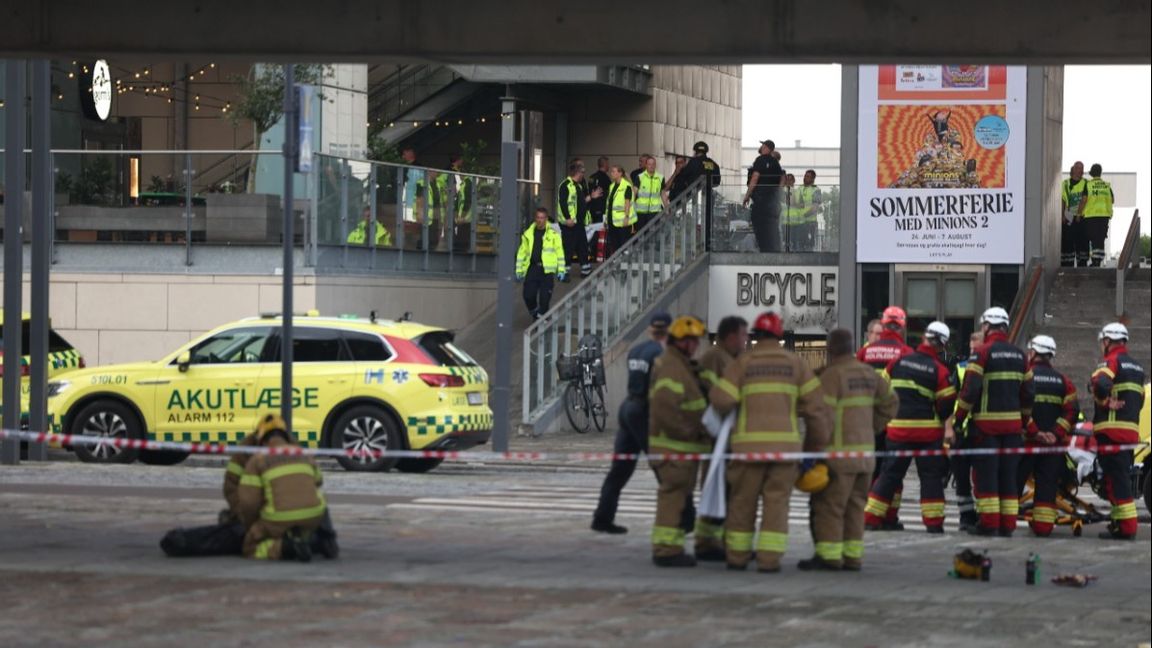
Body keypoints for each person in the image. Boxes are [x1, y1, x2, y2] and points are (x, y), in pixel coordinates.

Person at [709, 312, 829, 572]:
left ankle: (737, 558)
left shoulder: (742, 363)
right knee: (776, 505)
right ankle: (769, 561)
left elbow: (720, 400)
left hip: (746, 451)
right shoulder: (796, 364)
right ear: (779, 335)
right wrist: (813, 448)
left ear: (755, 335)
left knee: (742, 503)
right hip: (785, 453)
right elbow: (817, 411)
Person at [802, 329, 898, 571]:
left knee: (830, 507)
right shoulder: (869, 374)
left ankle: (829, 556)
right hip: (865, 456)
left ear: (830, 349)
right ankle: (853, 557)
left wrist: (811, 452)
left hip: (838, 457)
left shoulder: (831, 377)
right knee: (856, 507)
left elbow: (821, 419)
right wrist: (873, 428)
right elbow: (891, 403)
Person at [864, 321, 956, 534]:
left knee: (889, 476)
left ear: (924, 338)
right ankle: (933, 523)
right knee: (931, 478)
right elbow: (946, 404)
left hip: (897, 431)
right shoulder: (939, 371)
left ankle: (871, 517)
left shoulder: (898, 361)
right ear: (942, 346)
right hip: (927, 434)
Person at [951, 306, 1033, 537]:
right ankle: (1007, 525)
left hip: (986, 430)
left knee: (986, 478)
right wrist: (1023, 421)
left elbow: (970, 390)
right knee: (1008, 479)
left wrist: (959, 420)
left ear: (987, 326)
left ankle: (988, 524)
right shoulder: (1020, 355)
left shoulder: (982, 353)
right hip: (1013, 431)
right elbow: (1029, 393)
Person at [592, 312, 672, 535]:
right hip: (645, 411)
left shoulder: (636, 350)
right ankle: (682, 516)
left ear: (649, 330)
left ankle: (602, 517)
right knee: (662, 466)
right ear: (668, 331)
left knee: (619, 469)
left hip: (628, 408)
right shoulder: (661, 354)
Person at [647, 315, 711, 567]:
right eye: (692, 341)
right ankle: (665, 550)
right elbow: (665, 409)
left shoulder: (682, 365)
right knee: (672, 499)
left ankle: (670, 546)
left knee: (677, 500)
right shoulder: (672, 367)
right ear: (681, 341)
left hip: (681, 449)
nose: (696, 345)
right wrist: (688, 432)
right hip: (674, 448)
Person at [236, 413, 327, 562]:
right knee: (306, 523)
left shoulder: (257, 460)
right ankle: (318, 543)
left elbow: (249, 502)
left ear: (262, 440)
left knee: (250, 546)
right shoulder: (303, 454)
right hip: (313, 515)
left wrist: (253, 525)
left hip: (277, 518)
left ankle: (286, 548)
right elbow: (318, 482)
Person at [694, 315, 749, 559]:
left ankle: (713, 539)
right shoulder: (715, 358)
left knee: (723, 488)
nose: (746, 340)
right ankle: (706, 542)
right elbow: (717, 394)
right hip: (718, 434)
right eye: (743, 335)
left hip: (727, 435)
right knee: (716, 486)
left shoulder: (732, 358)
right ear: (730, 337)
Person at [856, 306, 915, 530]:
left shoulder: (865, 352)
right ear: (901, 326)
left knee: (870, 468)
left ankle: (868, 512)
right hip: (894, 420)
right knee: (892, 471)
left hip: (867, 420)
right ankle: (889, 516)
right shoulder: (907, 353)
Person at [1016, 335, 1078, 537]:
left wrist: (1036, 432)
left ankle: (1004, 522)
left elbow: (1019, 407)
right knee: (1047, 488)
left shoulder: (1025, 376)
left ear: (1032, 352)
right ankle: (1043, 527)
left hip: (1027, 443)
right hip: (1053, 447)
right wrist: (1054, 433)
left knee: (1013, 484)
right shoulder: (1064, 381)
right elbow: (1071, 411)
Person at [1090, 322, 1145, 540]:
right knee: (1118, 479)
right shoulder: (1137, 368)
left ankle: (1127, 528)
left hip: (1111, 432)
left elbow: (1100, 381)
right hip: (1129, 432)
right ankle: (1118, 525)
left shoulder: (1111, 360)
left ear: (1107, 341)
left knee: (1117, 482)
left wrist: (1104, 401)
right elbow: (1139, 399)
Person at [952, 330, 984, 532]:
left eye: (977, 348)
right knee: (961, 479)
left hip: (980, 431)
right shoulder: (960, 368)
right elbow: (951, 398)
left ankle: (981, 516)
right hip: (962, 432)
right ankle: (966, 516)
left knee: (982, 478)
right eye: (971, 349)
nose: (973, 352)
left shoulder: (988, 367)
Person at [666, 141, 721, 249]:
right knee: (707, 222)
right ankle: (707, 245)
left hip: (693, 198)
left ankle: (694, 246)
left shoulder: (693, 162)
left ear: (695, 151)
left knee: (692, 223)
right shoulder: (714, 164)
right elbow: (717, 182)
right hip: (708, 197)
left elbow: (683, 177)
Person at [515, 207, 567, 320]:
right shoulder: (528, 233)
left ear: (546, 219)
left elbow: (559, 252)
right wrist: (519, 270)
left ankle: (541, 319)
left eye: (542, 218)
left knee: (544, 299)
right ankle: (535, 313)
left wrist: (561, 270)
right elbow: (522, 253)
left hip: (546, 271)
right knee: (528, 295)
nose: (540, 220)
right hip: (532, 268)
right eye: (538, 217)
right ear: (535, 218)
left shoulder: (553, 234)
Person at [742, 139, 784, 253]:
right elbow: (781, 181)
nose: (761, 147)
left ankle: (764, 253)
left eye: (763, 145)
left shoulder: (760, 160)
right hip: (773, 203)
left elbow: (755, 178)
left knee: (760, 229)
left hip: (761, 202)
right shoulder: (776, 163)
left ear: (766, 147)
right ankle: (773, 252)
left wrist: (747, 196)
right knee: (772, 230)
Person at [557, 162, 593, 277]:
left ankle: (585, 270)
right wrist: (568, 218)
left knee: (582, 247)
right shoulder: (565, 185)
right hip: (570, 223)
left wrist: (591, 197)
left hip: (578, 223)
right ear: (578, 172)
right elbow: (563, 203)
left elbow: (580, 203)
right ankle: (564, 272)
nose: (583, 174)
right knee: (568, 248)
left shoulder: (578, 186)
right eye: (583, 172)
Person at [1078, 163, 1114, 267]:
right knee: (1100, 238)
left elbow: (1084, 200)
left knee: (1093, 238)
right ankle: (1097, 261)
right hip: (1104, 215)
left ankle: (1095, 261)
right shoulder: (1106, 185)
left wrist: (1078, 214)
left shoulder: (1088, 185)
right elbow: (1112, 199)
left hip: (1091, 216)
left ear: (1092, 174)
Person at [1061, 161, 1088, 267]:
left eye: (1082, 168)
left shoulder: (1086, 183)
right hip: (1068, 215)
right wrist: (1062, 215)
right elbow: (1062, 199)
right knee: (1067, 240)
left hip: (1081, 217)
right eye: (1078, 168)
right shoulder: (1065, 183)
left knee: (1082, 241)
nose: (1080, 170)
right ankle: (1067, 263)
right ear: (1073, 169)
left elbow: (1085, 199)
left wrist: (1079, 214)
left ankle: (1082, 263)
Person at [605, 165, 636, 255]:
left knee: (622, 243)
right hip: (612, 219)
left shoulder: (626, 186)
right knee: (614, 243)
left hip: (622, 220)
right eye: (611, 171)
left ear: (620, 173)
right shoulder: (612, 186)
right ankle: (617, 260)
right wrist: (606, 219)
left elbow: (627, 202)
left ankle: (623, 262)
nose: (612, 173)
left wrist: (626, 217)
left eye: (614, 171)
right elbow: (610, 204)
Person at [633, 154, 667, 232]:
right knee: (640, 234)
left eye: (653, 164)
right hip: (641, 212)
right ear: (646, 165)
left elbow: (663, 193)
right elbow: (634, 193)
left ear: (655, 165)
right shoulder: (640, 177)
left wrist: (667, 207)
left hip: (654, 212)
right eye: (649, 164)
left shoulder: (660, 178)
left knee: (653, 234)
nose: (651, 166)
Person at [450, 154, 475, 253]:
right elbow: (459, 201)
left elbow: (467, 201)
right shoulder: (464, 184)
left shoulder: (468, 184)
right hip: (462, 218)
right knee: (461, 238)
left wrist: (462, 216)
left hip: (466, 218)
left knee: (463, 240)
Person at [796, 170, 823, 251]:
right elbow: (795, 204)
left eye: (807, 176)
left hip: (810, 223)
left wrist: (803, 215)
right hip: (798, 222)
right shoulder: (800, 188)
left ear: (812, 179)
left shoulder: (816, 190)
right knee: (798, 245)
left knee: (809, 246)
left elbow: (815, 207)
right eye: (805, 176)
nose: (805, 178)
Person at [587, 156, 611, 226]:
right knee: (601, 228)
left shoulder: (591, 177)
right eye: (608, 164)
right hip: (602, 209)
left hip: (592, 208)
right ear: (605, 165)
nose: (608, 166)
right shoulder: (605, 178)